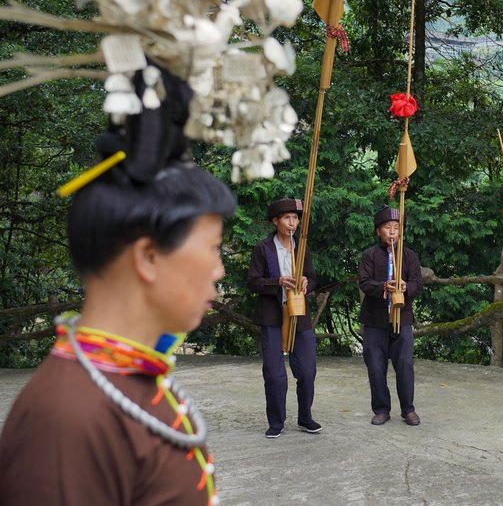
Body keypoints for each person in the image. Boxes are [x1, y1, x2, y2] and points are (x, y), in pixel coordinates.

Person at [0, 67, 235, 505]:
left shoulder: (124, 381)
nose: (219, 270)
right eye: (213, 248)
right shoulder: (66, 420)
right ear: (148, 257)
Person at [247, 198, 320, 437]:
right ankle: (276, 422)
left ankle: (305, 418)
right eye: (287, 218)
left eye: (295, 218)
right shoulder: (263, 248)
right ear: (275, 221)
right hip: (273, 316)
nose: (292, 223)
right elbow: (253, 282)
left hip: (299, 314)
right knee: (275, 374)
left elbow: (312, 277)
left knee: (307, 371)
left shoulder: (302, 246)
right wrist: (277, 282)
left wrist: (307, 283)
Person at [358, 206, 423, 426]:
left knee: (405, 364)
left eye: (396, 228)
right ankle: (381, 409)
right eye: (388, 228)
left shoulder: (409, 255)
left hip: (402, 318)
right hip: (374, 321)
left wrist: (405, 287)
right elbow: (364, 283)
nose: (393, 232)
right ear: (379, 231)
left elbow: (417, 282)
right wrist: (382, 286)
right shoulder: (369, 255)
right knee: (375, 366)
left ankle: (408, 409)